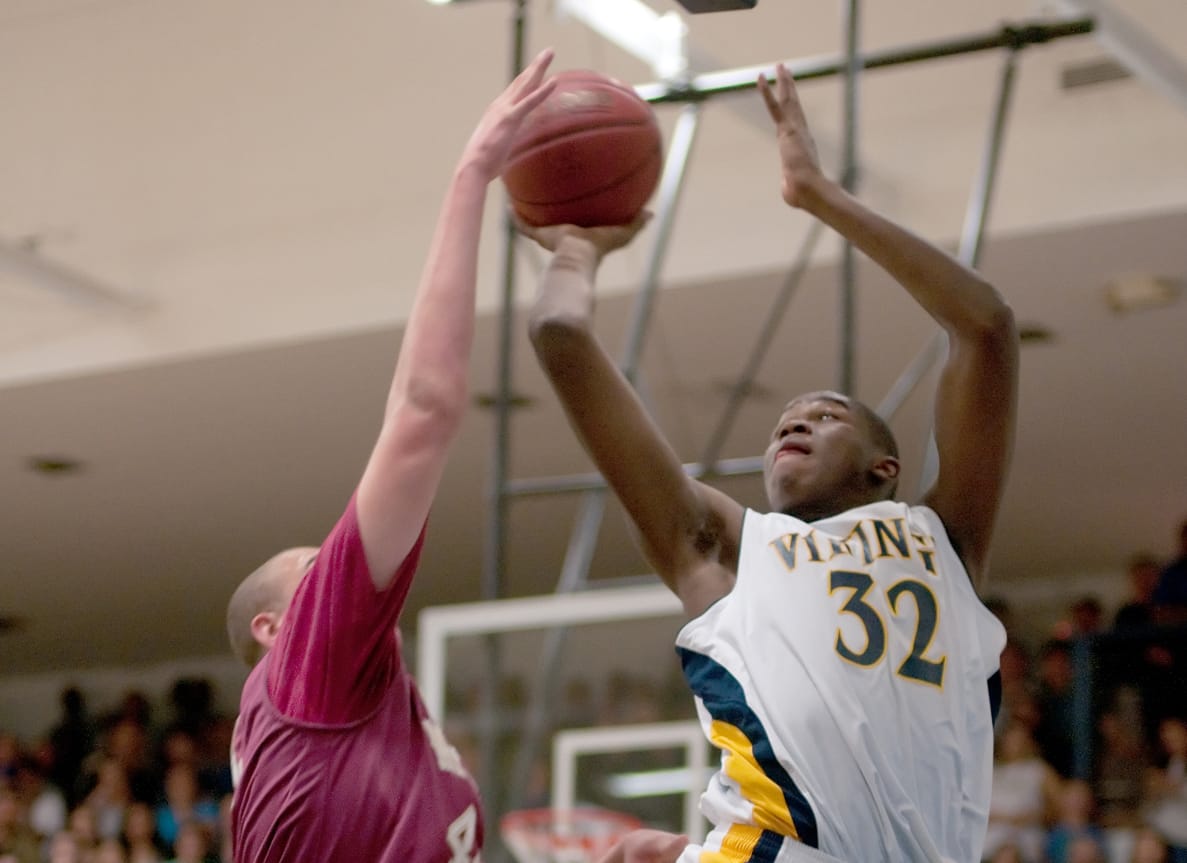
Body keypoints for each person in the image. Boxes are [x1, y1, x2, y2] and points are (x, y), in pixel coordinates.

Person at [521, 61, 1018, 862]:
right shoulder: (728, 550)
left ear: (883, 470)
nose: (795, 421)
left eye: (825, 415)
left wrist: (820, 195)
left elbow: (986, 326)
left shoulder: (941, 540)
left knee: (638, 850)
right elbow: (560, 337)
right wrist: (574, 248)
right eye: (785, 420)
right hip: (783, 852)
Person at [223, 50, 559, 863]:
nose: (341, 562)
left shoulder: (374, 716)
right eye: (317, 563)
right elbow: (423, 411)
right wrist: (471, 175)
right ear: (278, 629)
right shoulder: (315, 665)